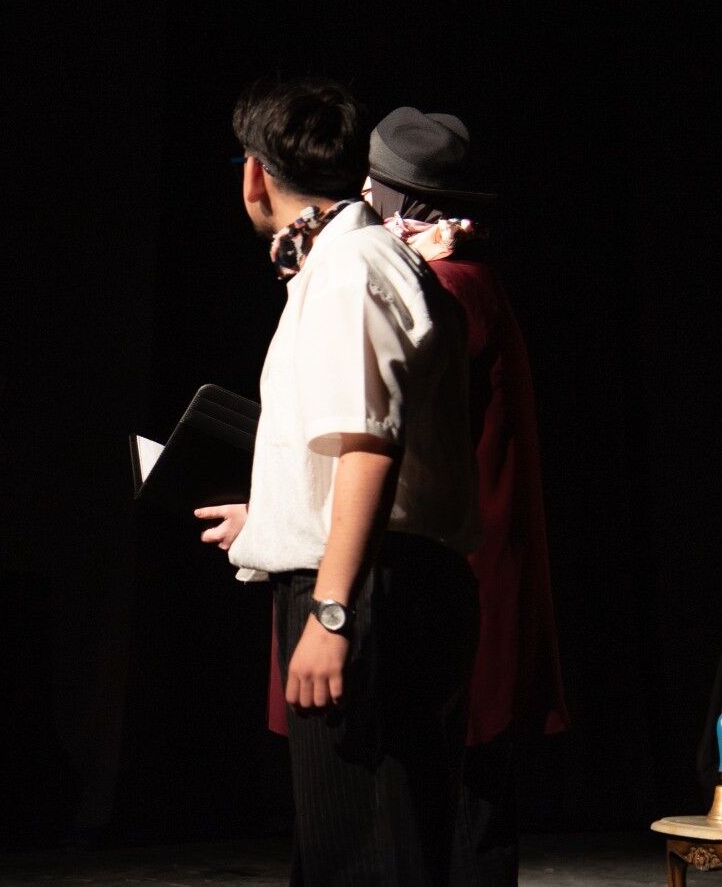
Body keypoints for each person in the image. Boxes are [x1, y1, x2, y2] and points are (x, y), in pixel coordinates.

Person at [195, 78, 481, 885]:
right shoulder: (345, 263)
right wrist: (273, 513)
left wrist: (331, 610)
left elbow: (371, 450)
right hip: (376, 578)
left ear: (256, 175)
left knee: (368, 852)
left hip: (374, 588)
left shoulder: (351, 268)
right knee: (352, 847)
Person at [362, 108, 570, 887]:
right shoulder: (465, 274)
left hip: (461, 566)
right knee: (469, 789)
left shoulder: (448, 287)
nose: (363, 198)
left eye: (374, 189)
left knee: (463, 792)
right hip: (474, 558)